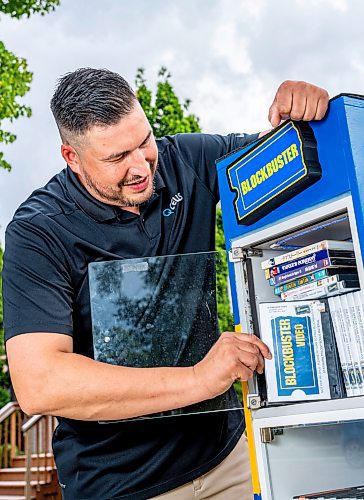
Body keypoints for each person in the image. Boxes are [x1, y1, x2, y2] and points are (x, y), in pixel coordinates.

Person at [2, 68, 329, 500]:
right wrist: (199, 379)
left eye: (144, 142)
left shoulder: (187, 160)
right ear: (72, 157)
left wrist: (305, 116)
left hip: (226, 457)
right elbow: (40, 384)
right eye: (117, 157)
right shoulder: (39, 231)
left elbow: (295, 162)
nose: (140, 167)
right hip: (118, 483)